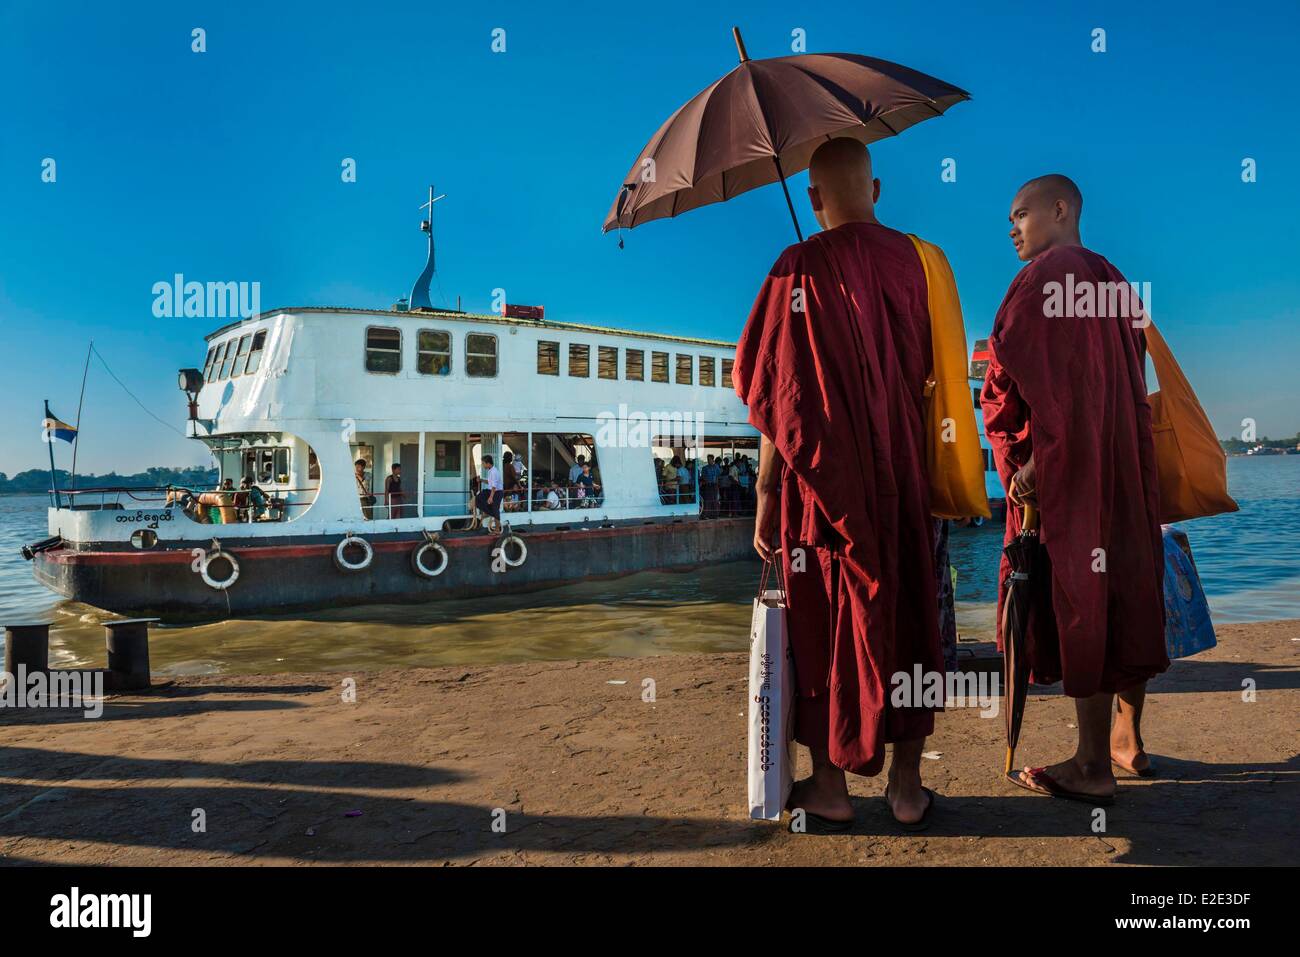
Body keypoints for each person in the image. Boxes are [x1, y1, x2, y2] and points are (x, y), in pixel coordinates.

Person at [734, 137, 945, 830]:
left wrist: (765, 495)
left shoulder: (795, 266)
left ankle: (830, 785)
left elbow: (776, 400)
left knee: (825, 626)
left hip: (821, 491)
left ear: (814, 198)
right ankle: (908, 789)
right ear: (876, 190)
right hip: (905, 478)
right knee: (912, 615)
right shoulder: (921, 263)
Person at [982, 174, 1167, 803]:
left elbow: (1008, 381)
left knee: (1080, 599)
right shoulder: (1114, 280)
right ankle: (1125, 740)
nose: (1011, 228)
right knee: (1122, 591)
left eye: (1020, 214)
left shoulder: (1042, 277)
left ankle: (1092, 765)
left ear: (1059, 210)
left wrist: (1023, 463)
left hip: (1068, 471)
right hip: (1121, 461)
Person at [476, 454, 503, 530]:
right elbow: (490, 482)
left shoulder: (494, 472)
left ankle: (497, 529)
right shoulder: (490, 471)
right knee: (478, 499)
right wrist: (481, 480)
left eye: (483, 463)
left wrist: (491, 497)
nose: (482, 465)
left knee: (495, 509)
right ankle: (490, 513)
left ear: (488, 463)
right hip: (493, 491)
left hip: (497, 492)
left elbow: (494, 486)